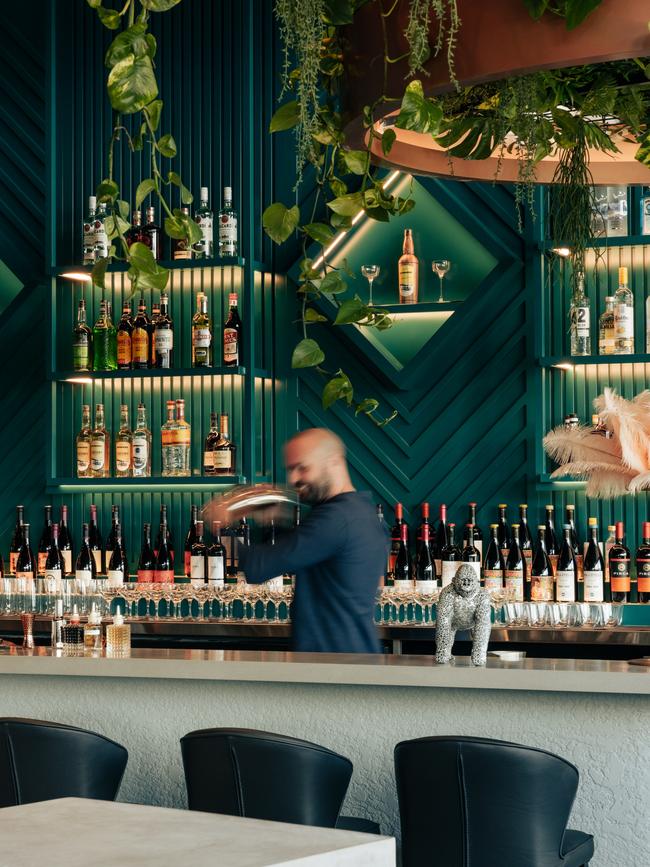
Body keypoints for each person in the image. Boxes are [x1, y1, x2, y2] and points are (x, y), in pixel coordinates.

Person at [236, 428, 388, 654]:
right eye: (290, 469)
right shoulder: (362, 510)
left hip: (333, 664)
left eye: (303, 468)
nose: (293, 479)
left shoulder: (336, 518)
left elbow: (257, 565)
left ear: (334, 463)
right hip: (353, 654)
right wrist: (274, 521)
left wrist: (224, 520)